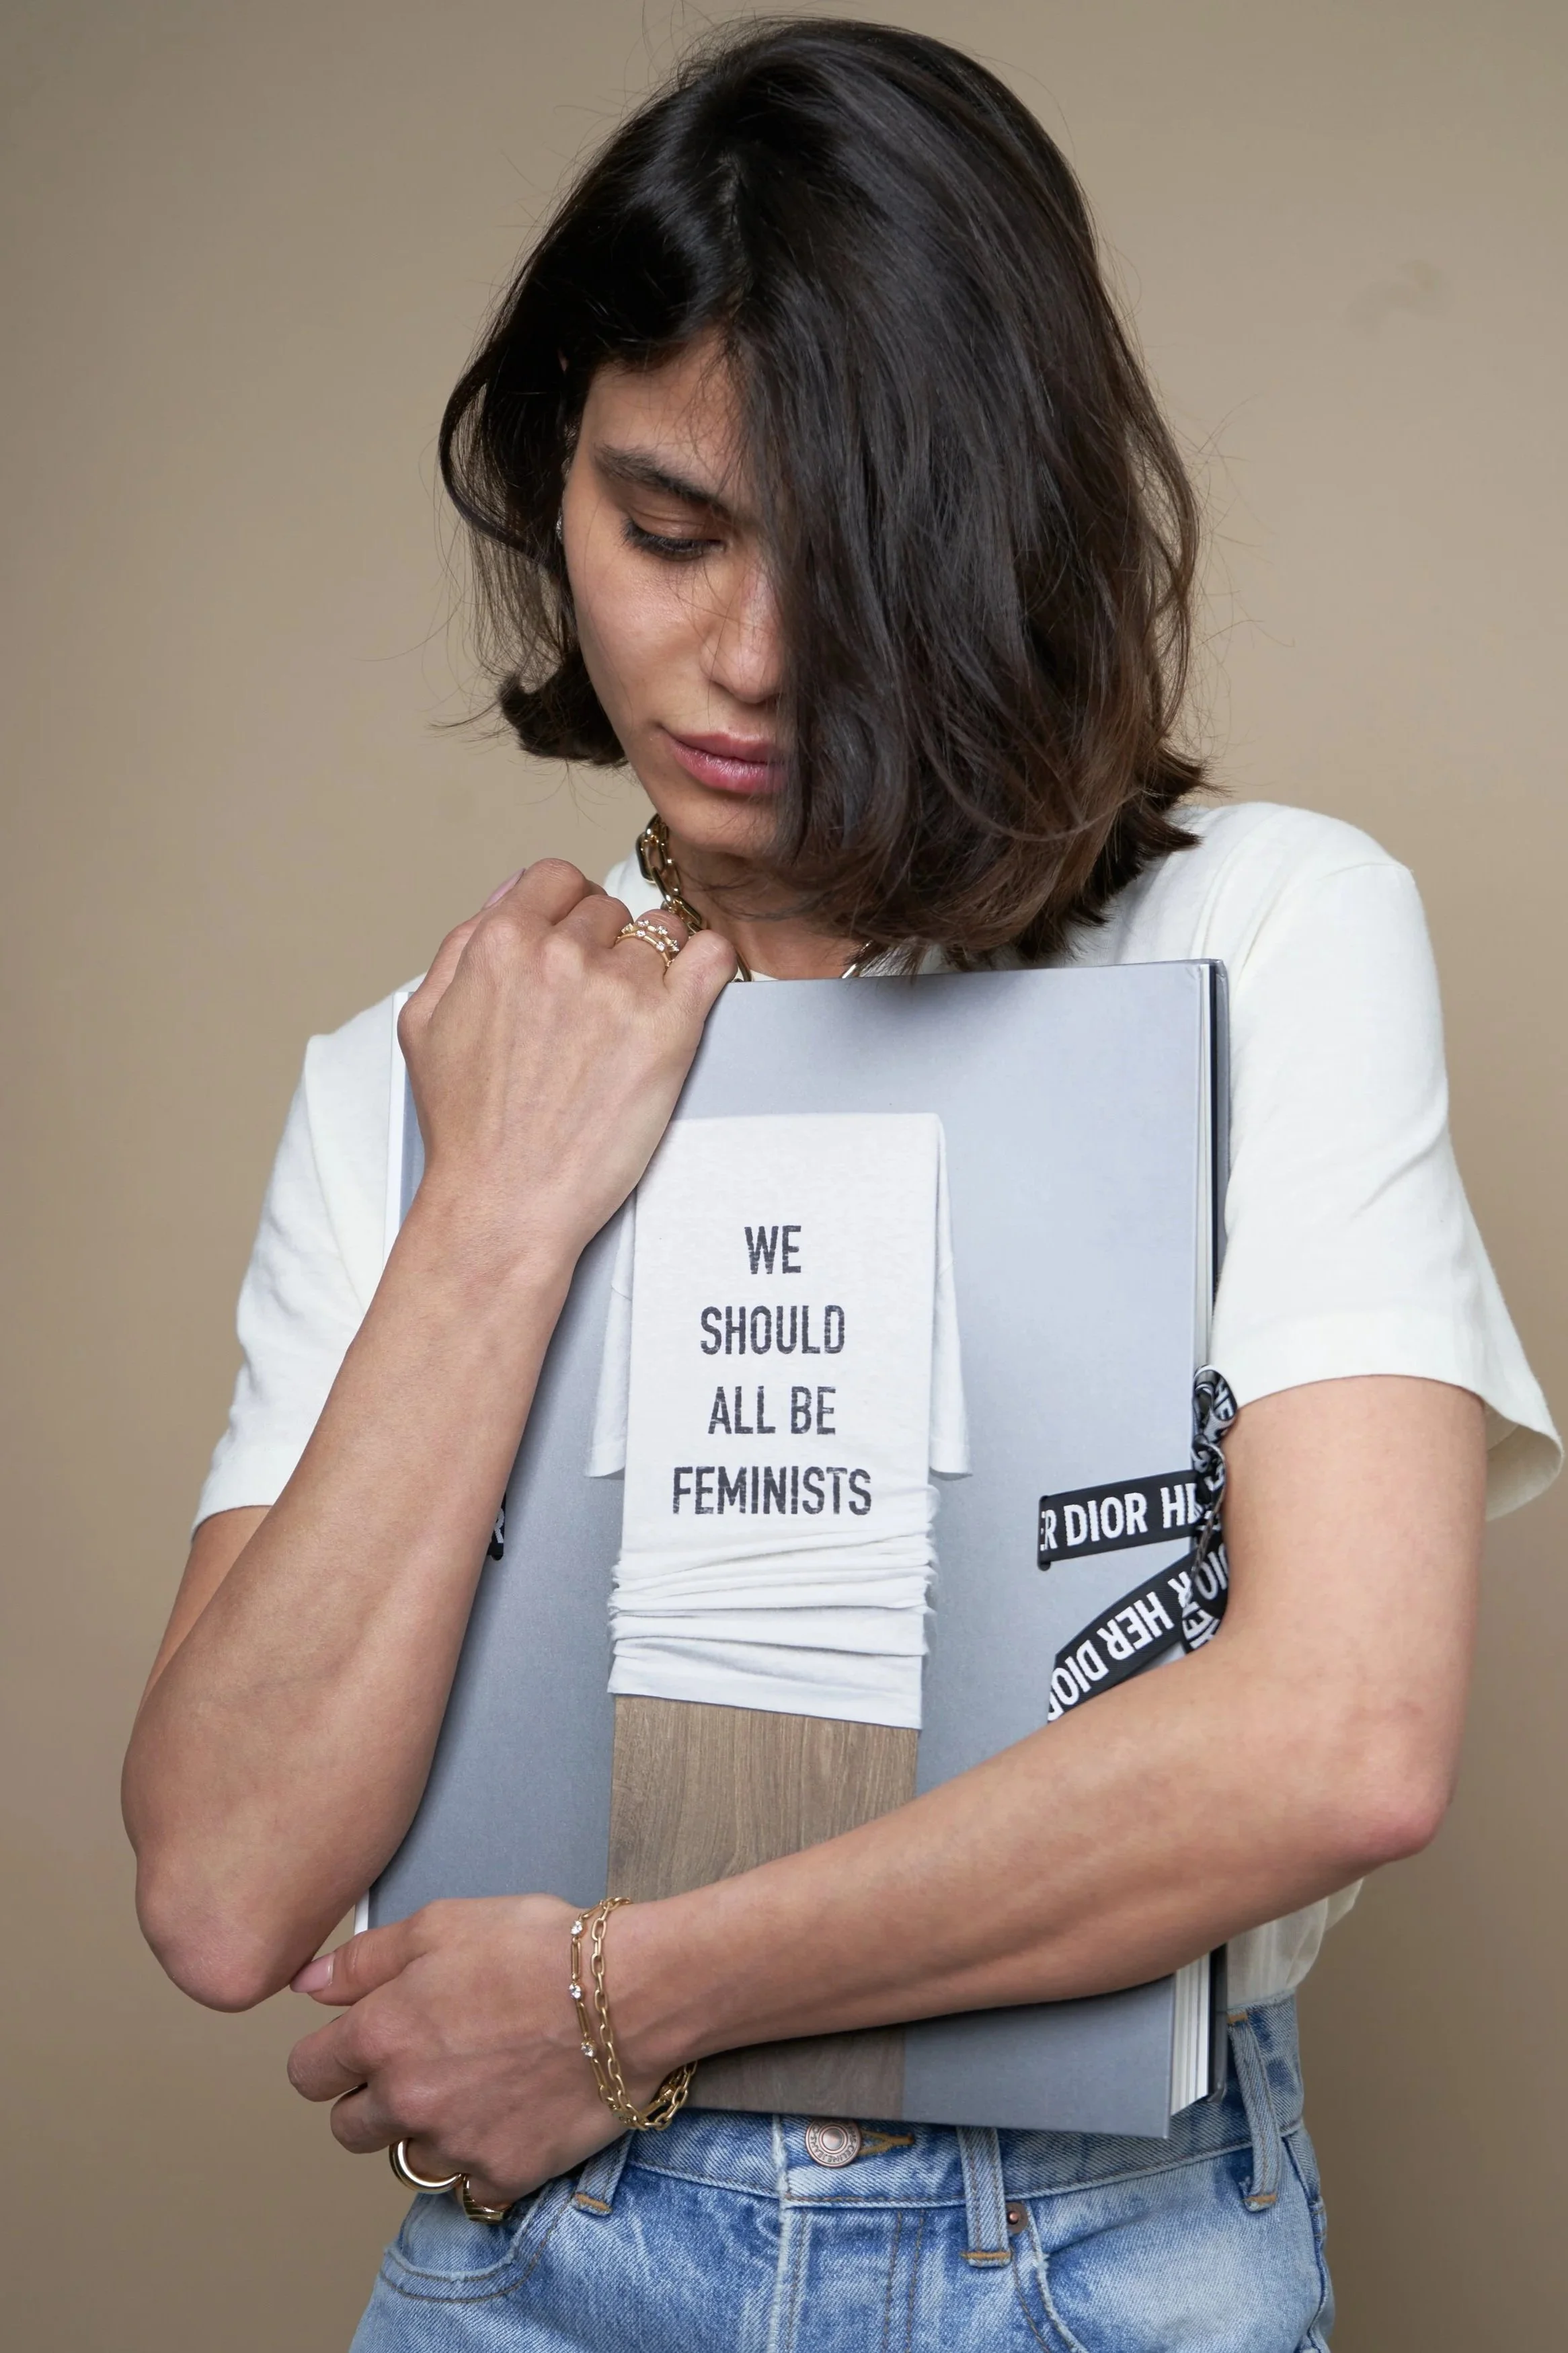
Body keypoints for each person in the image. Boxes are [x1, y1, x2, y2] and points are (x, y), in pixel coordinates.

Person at [122, 20, 1557, 2350]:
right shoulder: (421, 1078)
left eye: (856, 552)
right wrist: (497, 1211)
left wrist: (616, 1998)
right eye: (665, 529)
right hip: (545, 2272)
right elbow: (218, 1880)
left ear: (1010, 534)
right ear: (548, 483)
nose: (752, 656)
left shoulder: (1259, 934)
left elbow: (1339, 1736)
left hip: (1093, 2252)